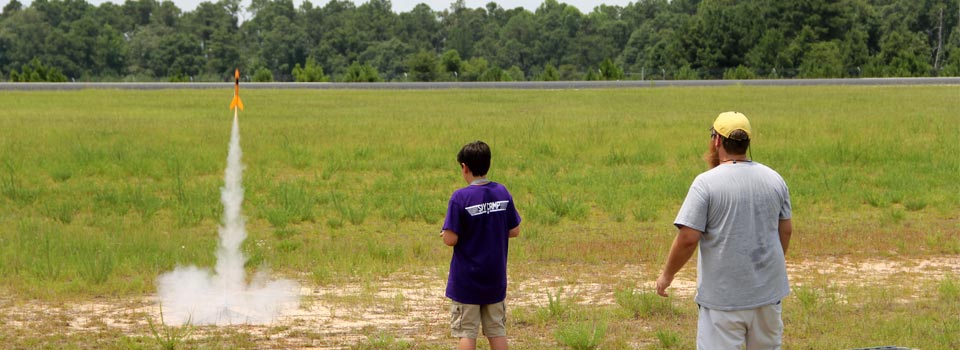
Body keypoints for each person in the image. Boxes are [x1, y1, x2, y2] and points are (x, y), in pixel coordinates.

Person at [655, 112, 793, 349]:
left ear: (717, 141)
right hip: (768, 296)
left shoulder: (705, 183)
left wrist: (667, 275)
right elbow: (786, 230)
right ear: (747, 143)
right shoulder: (775, 179)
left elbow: (688, 238)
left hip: (722, 300)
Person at [441, 140, 521, 350]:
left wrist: (444, 234)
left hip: (467, 281)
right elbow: (514, 229)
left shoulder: (460, 197)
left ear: (464, 167)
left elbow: (450, 239)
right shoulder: (502, 192)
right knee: (496, 331)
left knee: (467, 332)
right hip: (495, 278)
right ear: (488, 164)